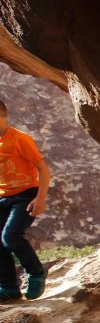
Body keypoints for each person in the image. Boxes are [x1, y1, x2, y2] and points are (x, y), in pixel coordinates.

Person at [0, 100, 49, 302]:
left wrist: (40, 198)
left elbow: (43, 168)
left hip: (25, 195)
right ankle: (9, 287)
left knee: (10, 236)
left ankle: (36, 273)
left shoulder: (20, 139)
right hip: (3, 196)